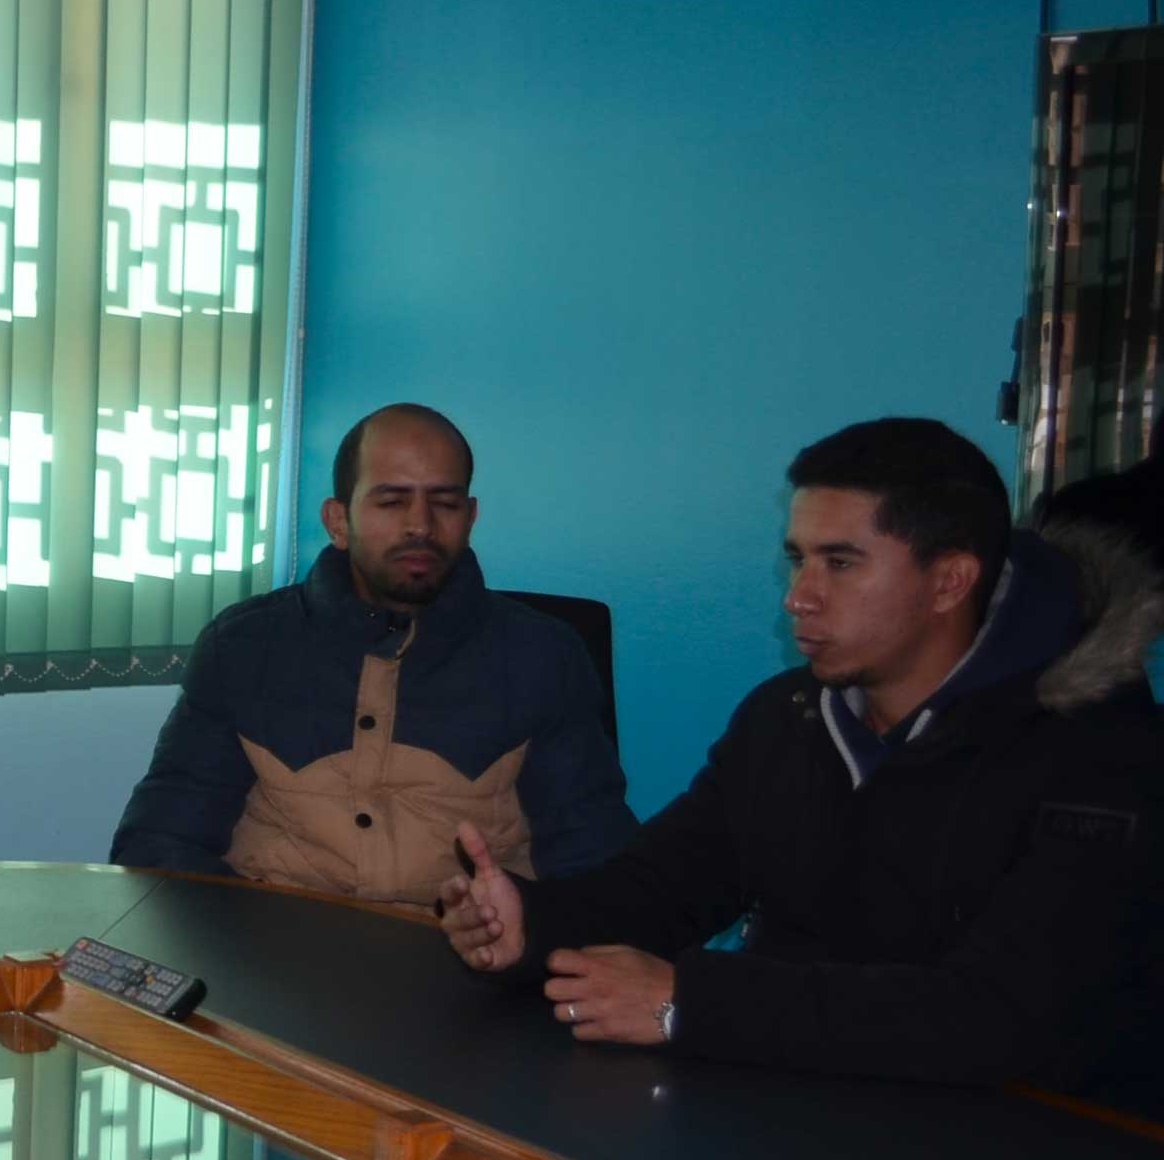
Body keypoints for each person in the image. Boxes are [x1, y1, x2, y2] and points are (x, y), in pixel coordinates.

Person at [439, 417, 1164, 1106]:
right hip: (796, 1123)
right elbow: (663, 886)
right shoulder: (786, 717)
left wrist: (693, 1003)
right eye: (798, 559)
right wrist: (531, 925)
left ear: (950, 582)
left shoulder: (1101, 751)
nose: (798, 598)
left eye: (840, 564)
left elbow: (1002, 1018)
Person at [112, 403, 633, 902]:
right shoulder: (244, 647)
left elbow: (592, 864)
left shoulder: (542, 658)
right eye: (392, 501)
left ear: (471, 517)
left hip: (462, 967)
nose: (421, 526)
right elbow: (161, 843)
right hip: (274, 956)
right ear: (338, 521)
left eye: (445, 503)